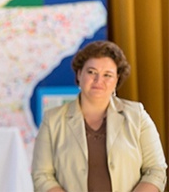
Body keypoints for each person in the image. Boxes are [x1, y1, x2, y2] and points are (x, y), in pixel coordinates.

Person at [31, 40, 167, 192]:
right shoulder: (52, 120)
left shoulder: (138, 116)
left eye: (107, 75)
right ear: (79, 74)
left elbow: (155, 170)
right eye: (91, 72)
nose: (98, 80)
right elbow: (42, 175)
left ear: (116, 80)